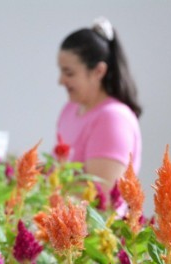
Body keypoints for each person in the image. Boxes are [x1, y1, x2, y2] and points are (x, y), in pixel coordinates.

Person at [56, 17, 142, 189]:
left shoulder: (113, 119)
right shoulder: (69, 109)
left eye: (69, 73)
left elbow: (102, 200)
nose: (61, 81)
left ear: (98, 71)